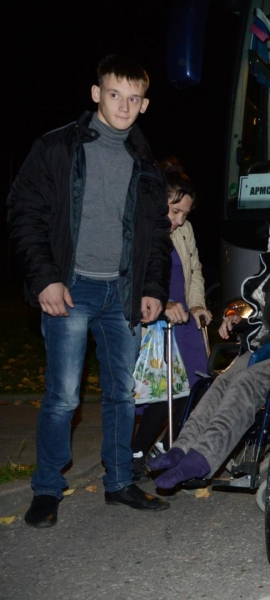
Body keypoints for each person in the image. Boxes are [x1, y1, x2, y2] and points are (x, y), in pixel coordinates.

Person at [7, 55, 173, 527]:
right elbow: (23, 212)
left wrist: (152, 288)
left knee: (123, 394)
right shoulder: (56, 147)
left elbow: (157, 234)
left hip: (122, 295)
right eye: (114, 94)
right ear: (97, 93)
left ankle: (120, 482)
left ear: (144, 104)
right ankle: (46, 488)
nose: (124, 104)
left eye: (133, 97)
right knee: (63, 396)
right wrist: (45, 278)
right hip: (71, 289)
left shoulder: (145, 162)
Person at [148, 215, 270, 489]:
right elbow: (258, 316)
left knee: (245, 384)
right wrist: (237, 320)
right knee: (220, 383)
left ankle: (202, 457)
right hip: (264, 348)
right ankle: (181, 448)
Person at [131, 162, 213, 479]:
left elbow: (194, 271)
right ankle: (136, 452)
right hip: (156, 324)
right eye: (174, 210)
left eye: (185, 214)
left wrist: (196, 305)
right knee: (162, 391)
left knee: (198, 388)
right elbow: (135, 277)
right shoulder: (142, 229)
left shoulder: (184, 231)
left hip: (185, 325)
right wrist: (164, 303)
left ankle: (167, 448)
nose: (178, 220)